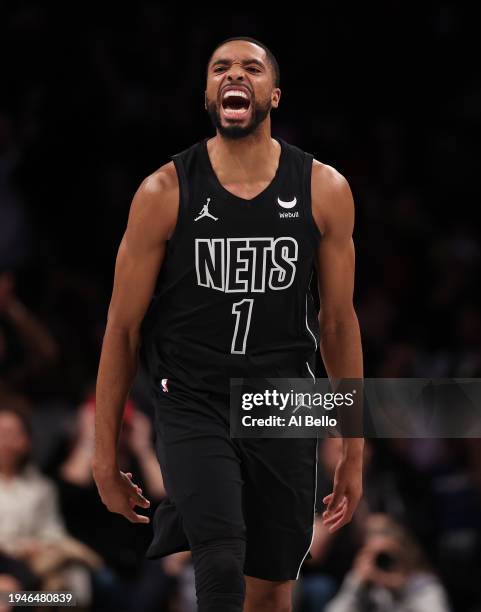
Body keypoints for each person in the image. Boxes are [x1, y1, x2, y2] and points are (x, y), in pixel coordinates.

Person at [93, 35, 364, 612]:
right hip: (192, 395)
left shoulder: (324, 189)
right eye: (221, 68)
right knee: (219, 558)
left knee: (270, 589)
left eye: (250, 68)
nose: (234, 75)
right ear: (208, 94)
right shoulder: (163, 191)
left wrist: (354, 448)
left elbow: (338, 324)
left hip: (284, 398)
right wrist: (103, 454)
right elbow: (121, 330)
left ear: (274, 93)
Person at [325, 513, 451, 612]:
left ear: (401, 549)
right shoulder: (361, 582)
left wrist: (402, 589)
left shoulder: (422, 584)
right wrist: (356, 584)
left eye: (385, 556)